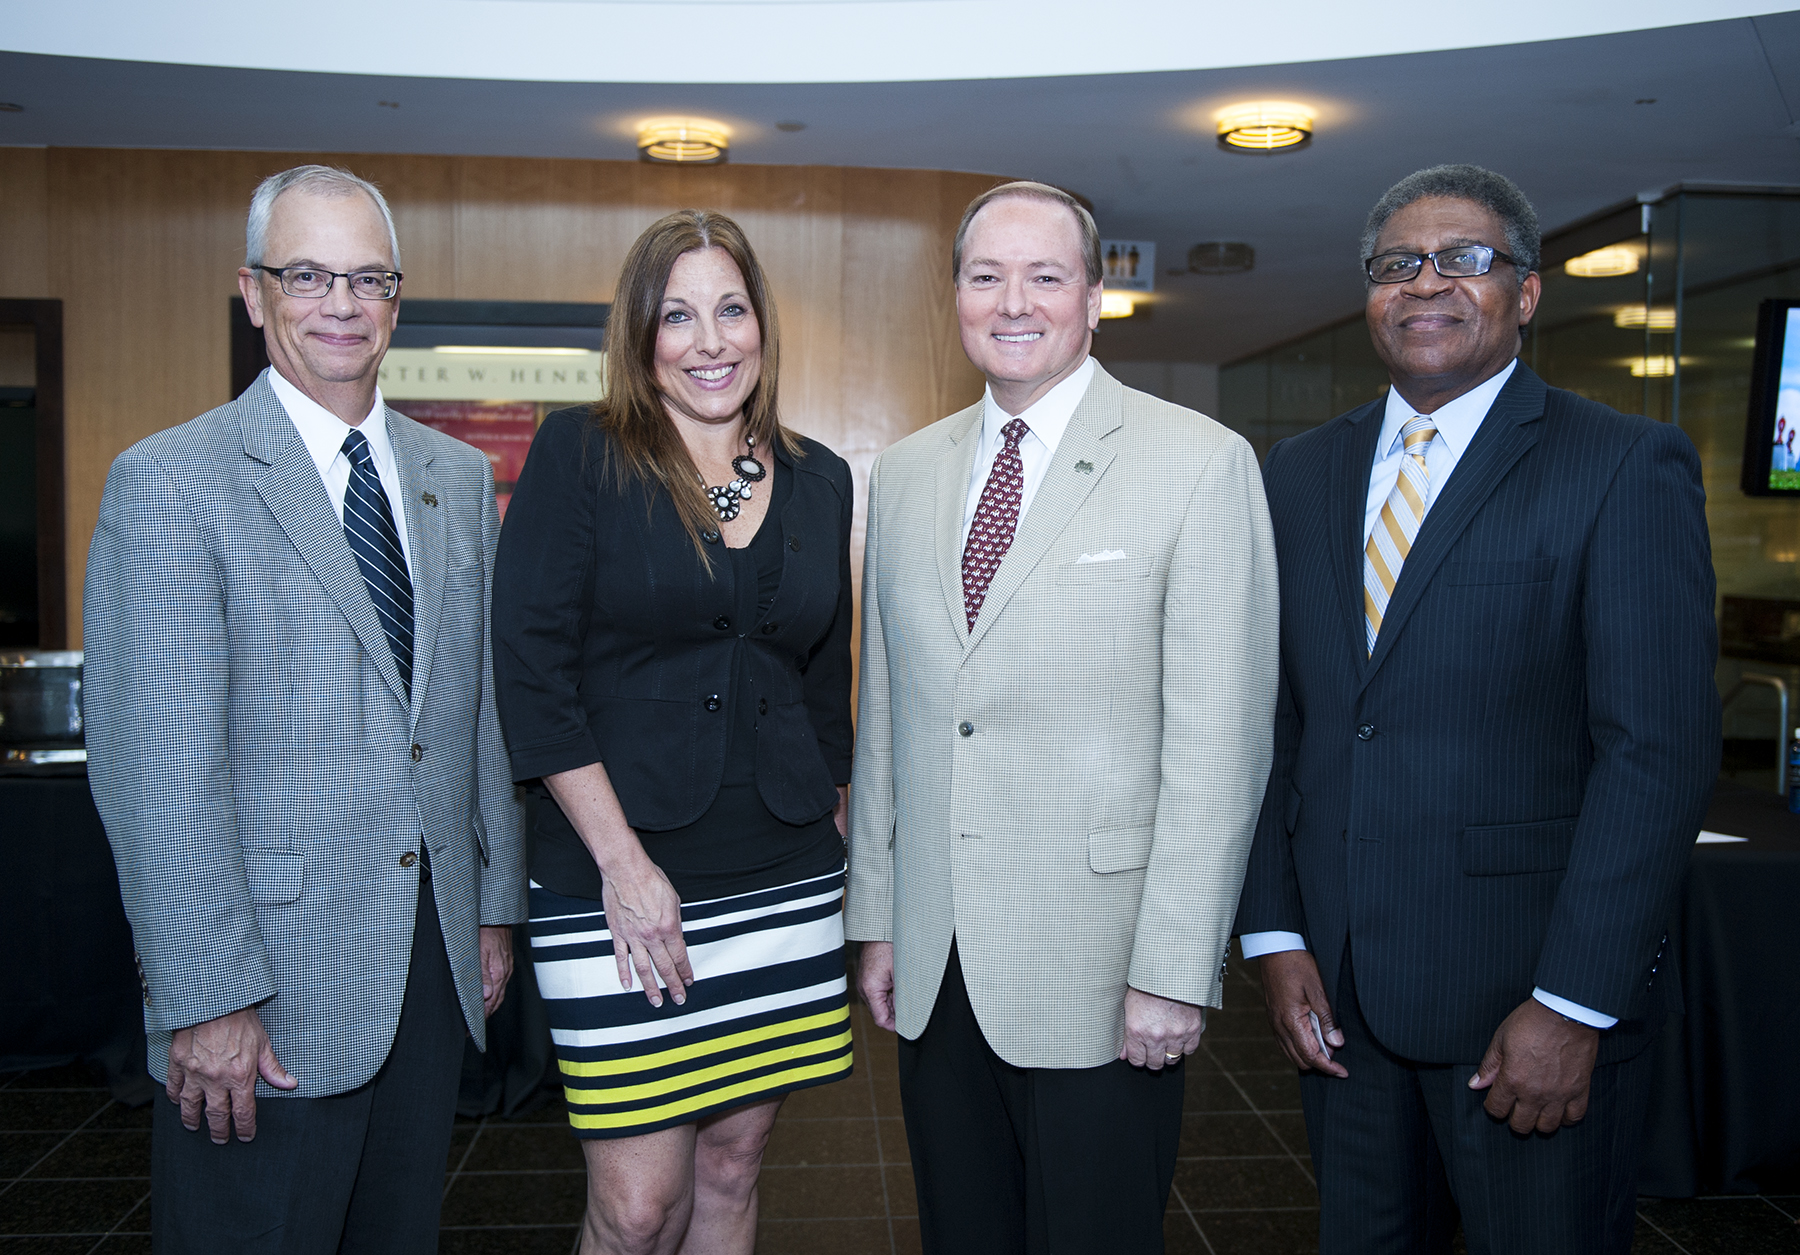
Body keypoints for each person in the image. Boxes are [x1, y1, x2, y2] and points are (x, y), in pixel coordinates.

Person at [1235, 164, 1719, 1255]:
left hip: (1525, 1012)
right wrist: (1274, 931)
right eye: (1397, 263)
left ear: (1528, 292)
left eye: (1465, 258)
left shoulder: (1622, 464)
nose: (1426, 283)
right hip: (1342, 1002)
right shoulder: (1298, 475)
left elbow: (1656, 754)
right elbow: (1274, 724)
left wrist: (1576, 1003)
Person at [83, 164, 525, 1250]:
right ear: (253, 291)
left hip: (428, 973)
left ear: (396, 297)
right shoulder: (173, 482)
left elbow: (471, 720)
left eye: (367, 277)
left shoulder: (455, 477)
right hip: (265, 992)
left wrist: (491, 905)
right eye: (309, 274)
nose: (340, 302)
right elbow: (159, 774)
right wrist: (209, 996)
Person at [847, 181, 1279, 1253]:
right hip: (939, 962)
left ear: (1095, 294)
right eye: (986, 276)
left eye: (1046, 275)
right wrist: (880, 914)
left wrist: (1174, 969)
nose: (1014, 301)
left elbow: (1219, 750)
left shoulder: (1199, 464)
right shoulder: (904, 475)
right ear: (954, 295)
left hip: (1105, 969)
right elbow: (890, 713)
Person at [491, 208, 856, 1255]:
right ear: (641, 334)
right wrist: (623, 865)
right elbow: (531, 671)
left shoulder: (820, 475)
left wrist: (839, 845)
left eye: (731, 309)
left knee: (735, 1164)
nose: (711, 340)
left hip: (782, 867)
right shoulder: (582, 453)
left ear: (761, 324)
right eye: (679, 314)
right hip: (620, 870)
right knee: (638, 1204)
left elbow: (824, 685)